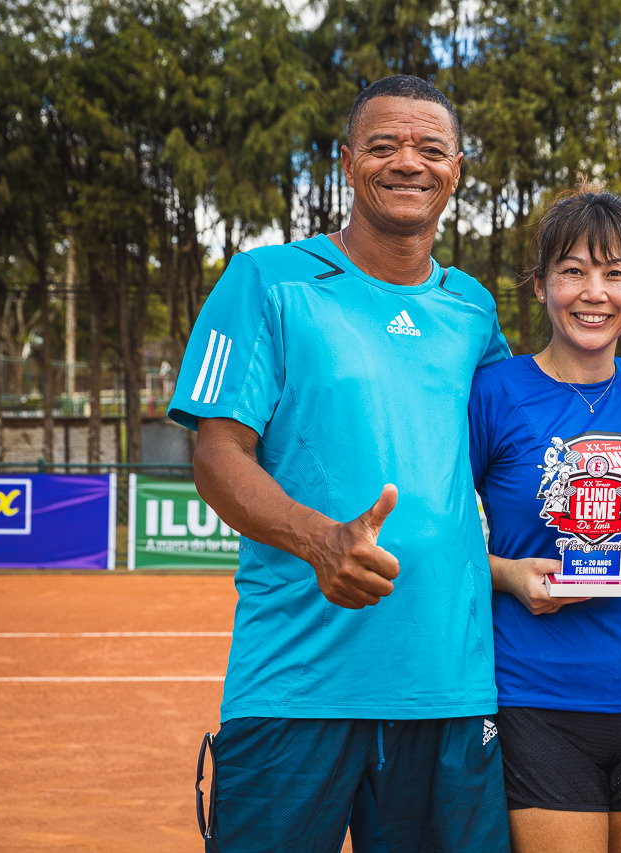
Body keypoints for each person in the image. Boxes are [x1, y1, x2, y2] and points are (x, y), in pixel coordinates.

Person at [168, 75, 511, 853]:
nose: (408, 162)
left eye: (431, 149)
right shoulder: (264, 280)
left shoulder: (474, 310)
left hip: (448, 686)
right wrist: (321, 540)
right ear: (348, 162)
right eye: (384, 145)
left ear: (457, 170)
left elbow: (510, 451)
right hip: (296, 684)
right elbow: (217, 452)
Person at [467, 189, 621, 853]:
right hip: (538, 699)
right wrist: (508, 575)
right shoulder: (495, 392)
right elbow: (439, 528)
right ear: (541, 284)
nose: (593, 293)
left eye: (615, 273)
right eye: (573, 270)